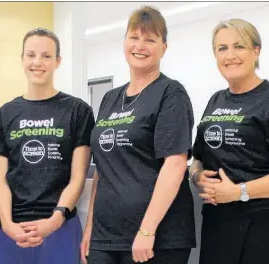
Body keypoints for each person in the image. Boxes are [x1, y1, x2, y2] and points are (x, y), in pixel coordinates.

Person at [190, 18, 269, 264]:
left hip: (268, 223)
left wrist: (238, 192)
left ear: (256, 51)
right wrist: (197, 177)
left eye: (239, 46)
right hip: (219, 222)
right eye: (222, 48)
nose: (230, 55)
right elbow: (198, 159)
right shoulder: (215, 101)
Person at [82, 6, 196, 264]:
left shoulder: (170, 93)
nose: (140, 45)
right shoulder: (110, 98)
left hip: (157, 236)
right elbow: (104, 166)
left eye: (150, 39)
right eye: (134, 37)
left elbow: (175, 164)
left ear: (163, 48)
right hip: (106, 235)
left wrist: (147, 230)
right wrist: (91, 226)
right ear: (124, 42)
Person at [0, 27, 95, 264]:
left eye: (46, 56)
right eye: (31, 55)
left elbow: (77, 177)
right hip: (10, 230)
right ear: (22, 59)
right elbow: (0, 179)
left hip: (59, 227)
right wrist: (7, 224)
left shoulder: (78, 111)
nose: (38, 62)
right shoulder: (4, 115)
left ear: (58, 61)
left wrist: (55, 220)